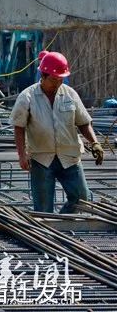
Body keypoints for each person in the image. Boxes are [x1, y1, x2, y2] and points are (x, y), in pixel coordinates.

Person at [10, 51, 105, 214]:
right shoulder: (27, 96)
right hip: (41, 159)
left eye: (61, 79)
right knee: (43, 209)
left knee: (82, 199)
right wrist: (22, 155)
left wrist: (95, 143)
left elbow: (83, 122)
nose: (58, 83)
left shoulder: (70, 94)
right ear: (43, 76)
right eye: (54, 79)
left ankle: (61, 225)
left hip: (70, 156)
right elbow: (19, 127)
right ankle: (48, 233)